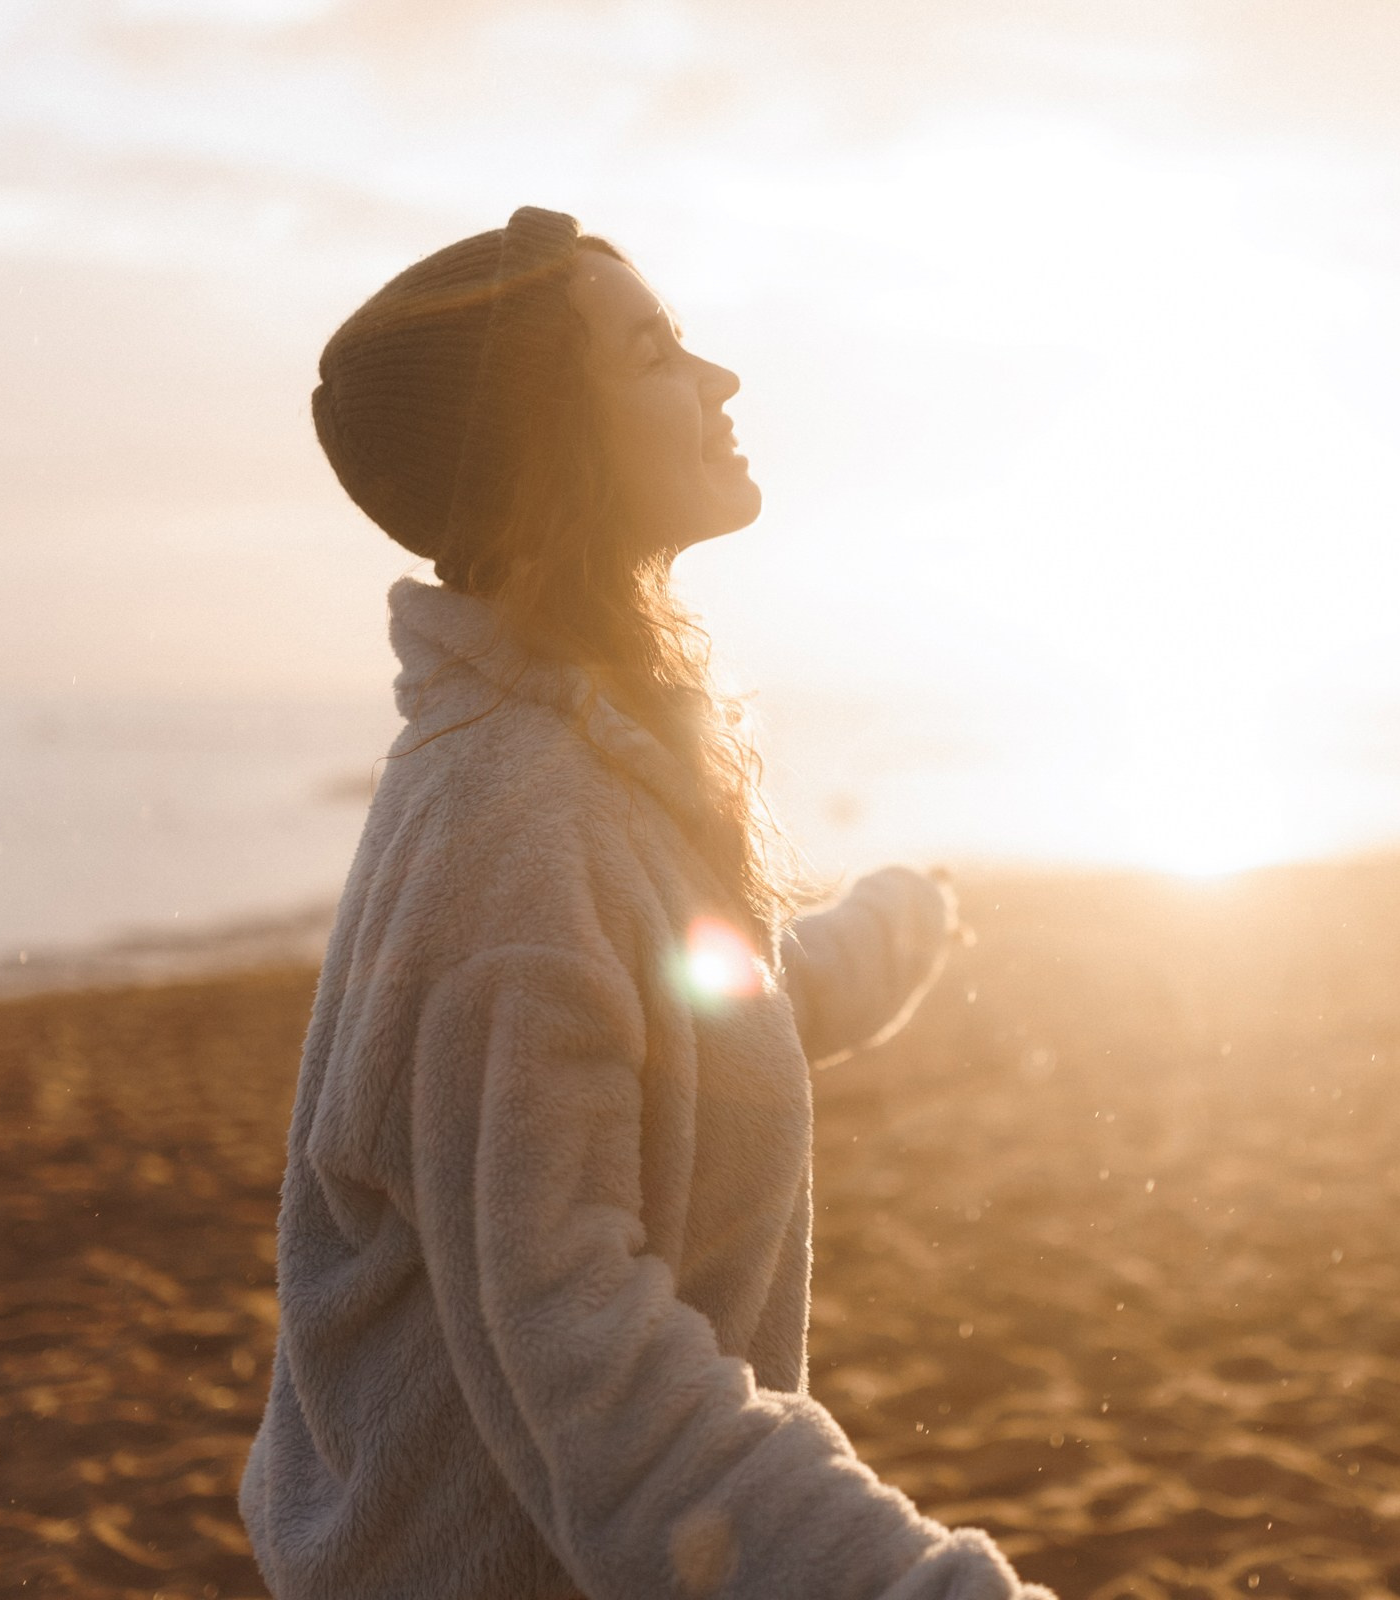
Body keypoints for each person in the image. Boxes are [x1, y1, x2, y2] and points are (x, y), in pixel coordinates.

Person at [238, 207, 1052, 1600]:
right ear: (553, 444)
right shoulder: (511, 831)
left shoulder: (588, 753)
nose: (721, 381)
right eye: (656, 353)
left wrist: (903, 918)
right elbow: (592, 1365)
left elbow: (710, 1006)